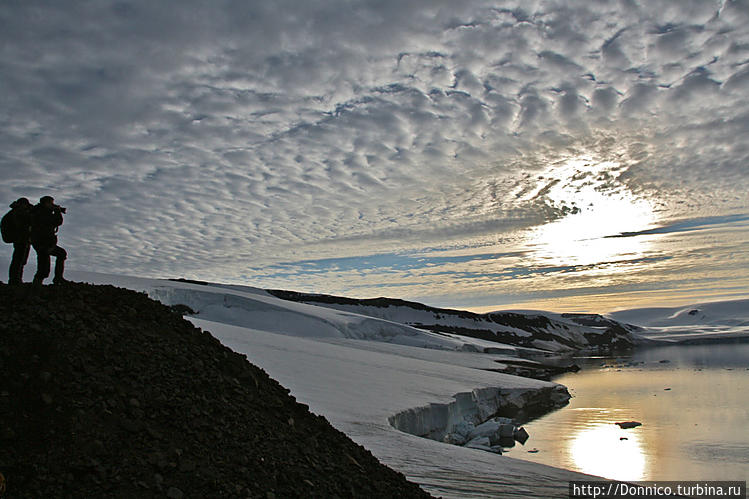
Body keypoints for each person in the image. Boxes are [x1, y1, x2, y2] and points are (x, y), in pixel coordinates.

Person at [31, 196, 67, 285]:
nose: (52, 205)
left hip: (46, 243)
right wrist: (57, 211)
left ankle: (58, 278)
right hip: (42, 243)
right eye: (51, 203)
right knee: (43, 270)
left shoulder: (41, 211)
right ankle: (34, 292)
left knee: (61, 253)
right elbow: (57, 221)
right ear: (45, 203)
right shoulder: (41, 213)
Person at [2, 197, 33, 284]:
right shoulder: (17, 212)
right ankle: (14, 279)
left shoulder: (15, 212)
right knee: (18, 260)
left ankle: (17, 279)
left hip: (23, 239)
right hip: (20, 239)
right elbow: (24, 223)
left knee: (21, 260)